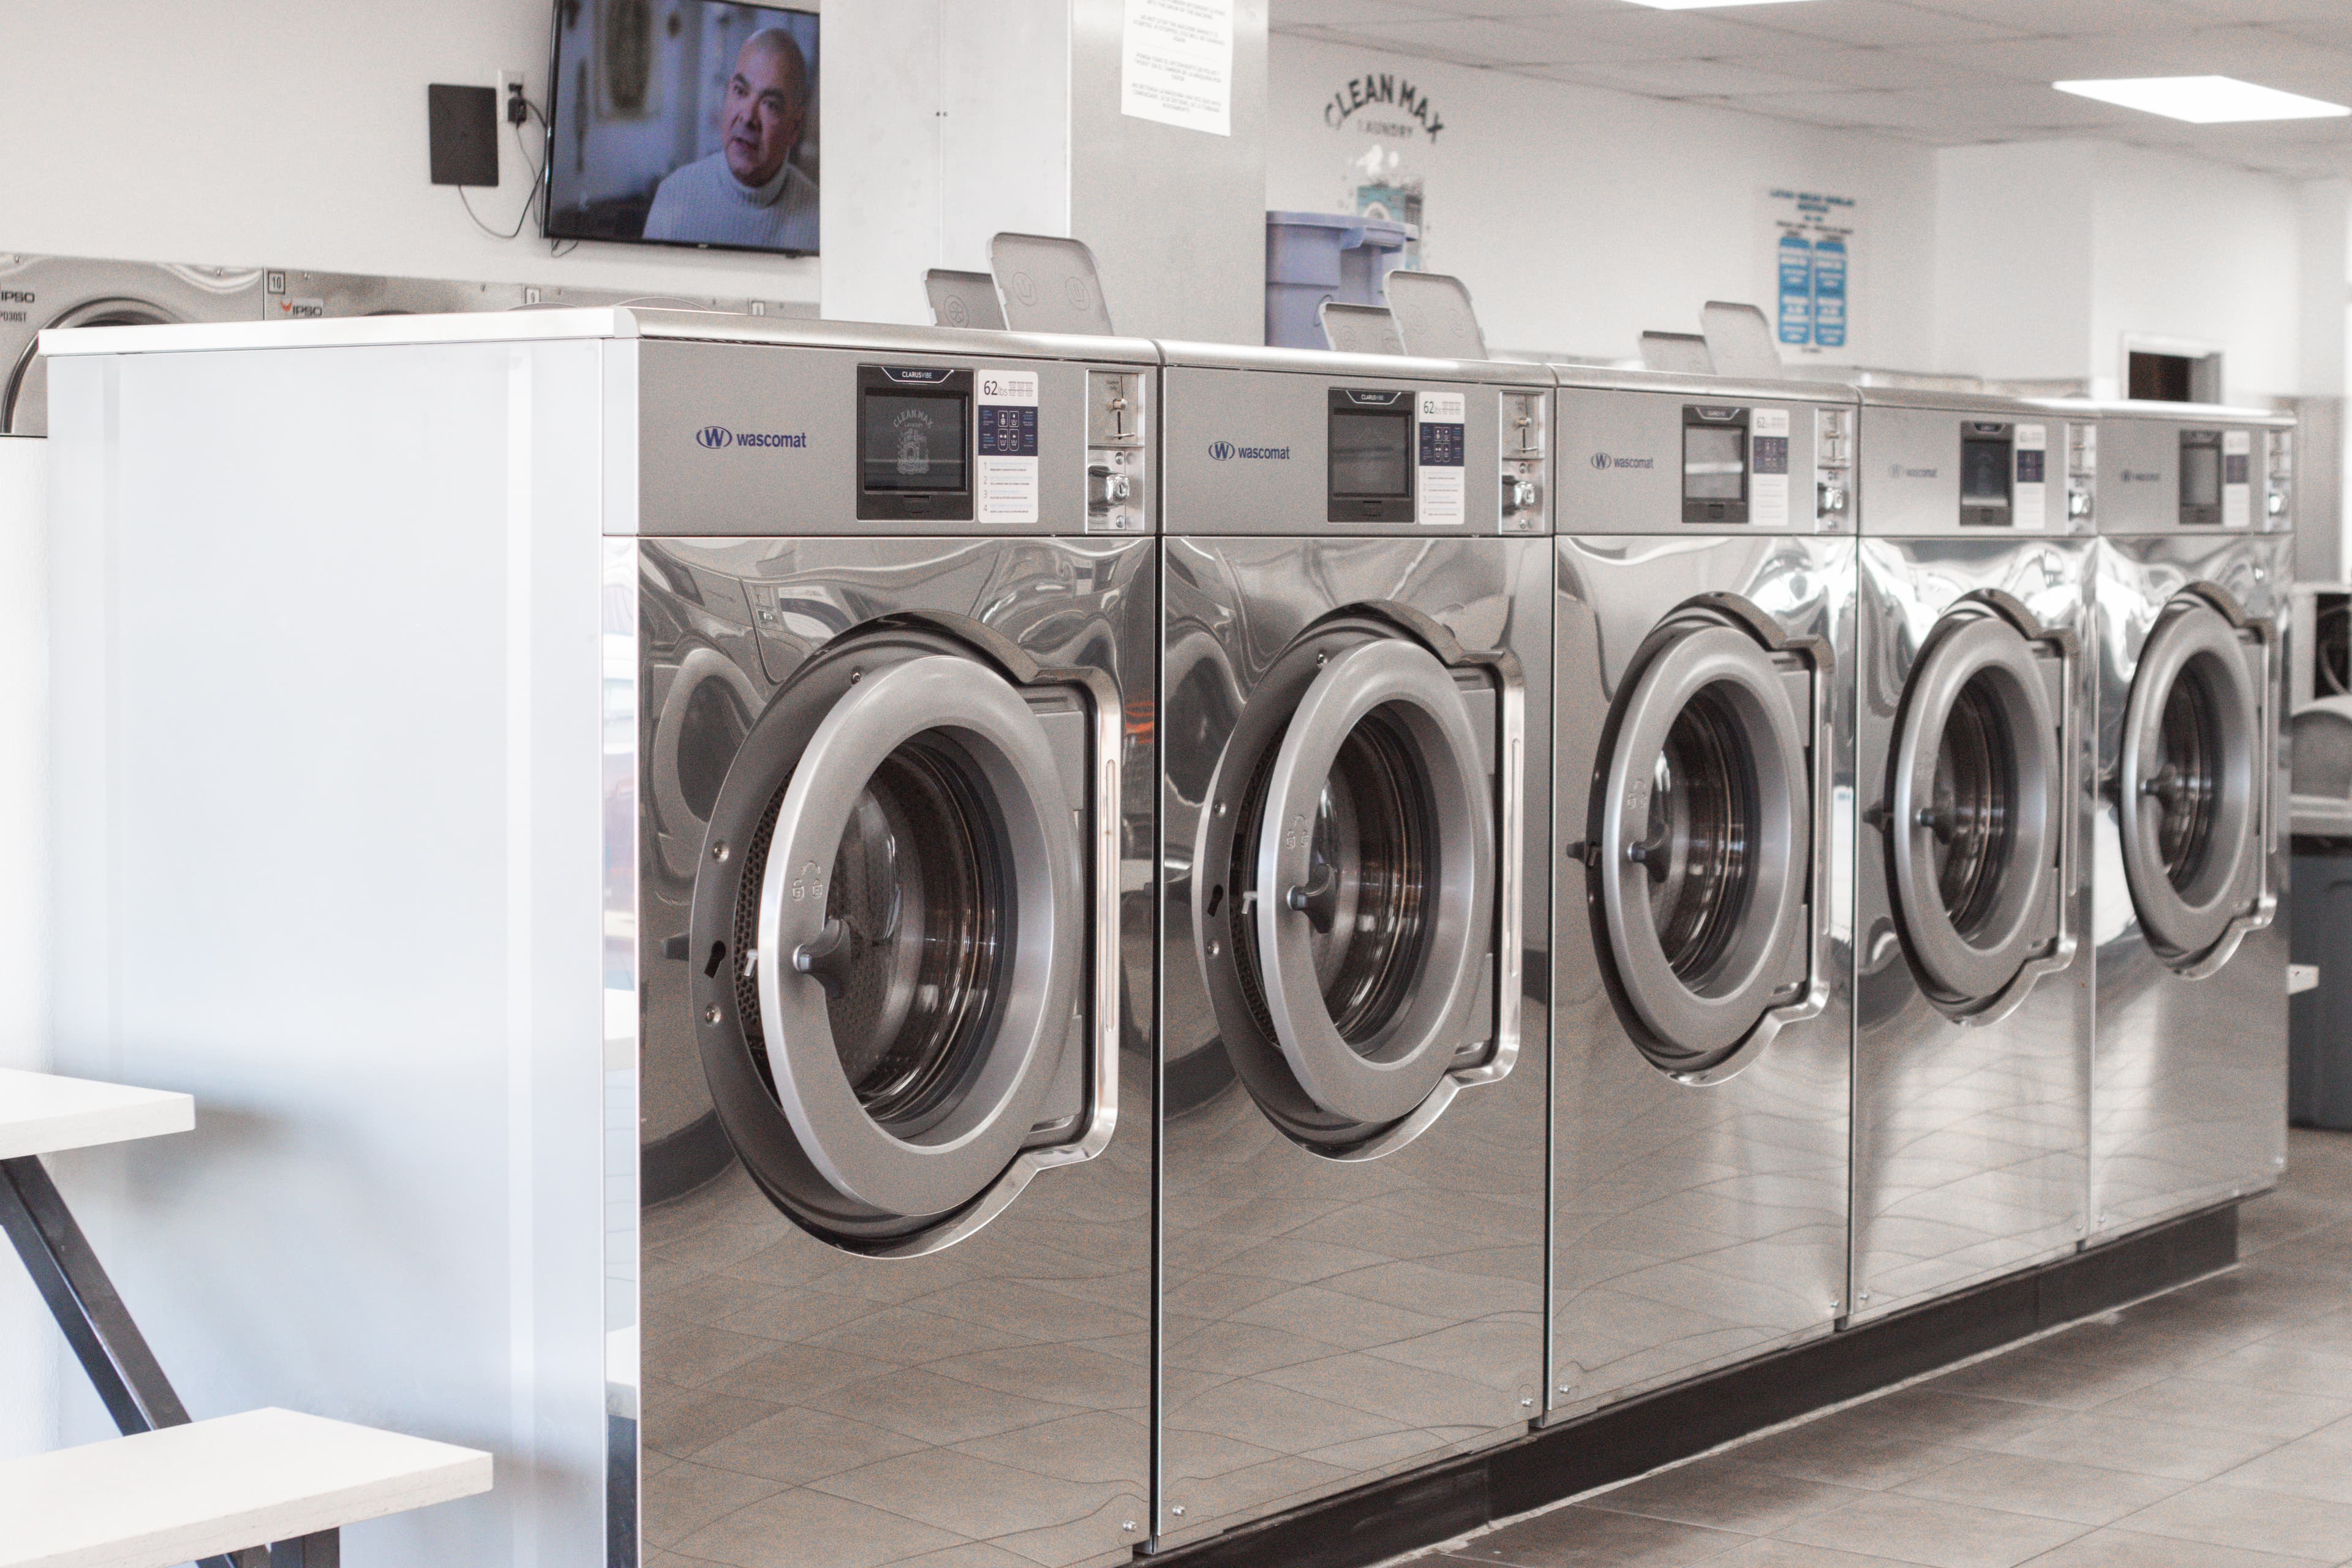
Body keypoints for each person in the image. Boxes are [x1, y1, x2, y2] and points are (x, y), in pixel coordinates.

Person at [643, 28, 817, 251]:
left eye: (770, 104)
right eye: (740, 91)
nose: (747, 117)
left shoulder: (820, 221)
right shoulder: (674, 195)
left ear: (795, 127)